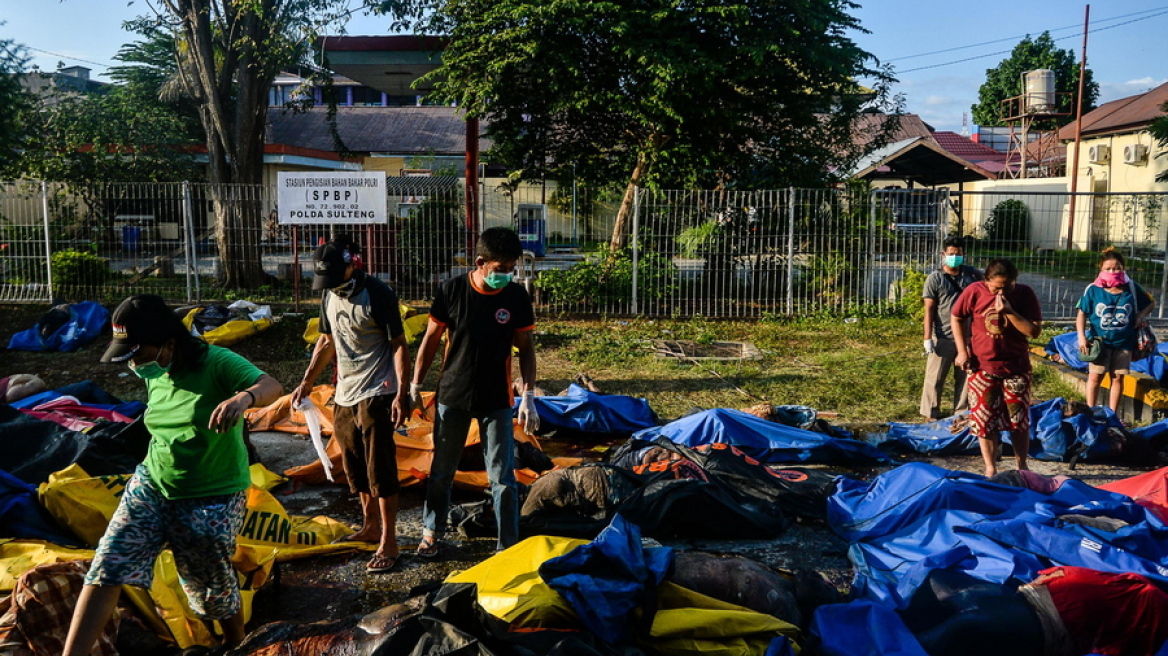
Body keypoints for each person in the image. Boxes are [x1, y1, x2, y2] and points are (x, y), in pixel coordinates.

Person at [63, 294, 282, 655]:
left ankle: (235, 645)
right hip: (153, 482)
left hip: (213, 492)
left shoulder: (217, 362)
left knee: (209, 583)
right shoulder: (153, 368)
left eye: (138, 353)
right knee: (108, 564)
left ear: (168, 343)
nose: (133, 363)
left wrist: (243, 399)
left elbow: (271, 385)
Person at [411, 227, 539, 557]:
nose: (507, 275)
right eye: (501, 269)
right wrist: (414, 385)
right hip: (453, 395)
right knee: (442, 471)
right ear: (480, 262)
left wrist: (528, 396)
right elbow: (430, 342)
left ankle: (506, 545)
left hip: (497, 398)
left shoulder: (516, 297)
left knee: (503, 478)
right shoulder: (452, 291)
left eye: (512, 269)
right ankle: (431, 531)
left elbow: (525, 348)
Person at [291, 237, 411, 574]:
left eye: (334, 277)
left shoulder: (378, 293)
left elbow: (399, 345)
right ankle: (369, 526)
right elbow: (326, 340)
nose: (330, 285)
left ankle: (389, 540)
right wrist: (307, 381)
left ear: (351, 265)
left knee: (380, 467)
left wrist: (402, 393)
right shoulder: (330, 293)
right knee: (354, 464)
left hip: (378, 389)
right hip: (345, 392)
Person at [951, 258, 1042, 478]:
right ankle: (991, 467)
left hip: (1016, 367)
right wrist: (962, 351)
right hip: (982, 367)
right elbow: (956, 317)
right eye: (996, 288)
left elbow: (1033, 331)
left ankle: (1022, 466)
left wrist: (1009, 311)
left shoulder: (1024, 294)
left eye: (1007, 287)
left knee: (1018, 421)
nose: (1001, 292)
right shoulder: (974, 291)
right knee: (984, 419)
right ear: (986, 281)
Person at [1076, 249, 1155, 413]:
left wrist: (1140, 315)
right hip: (1099, 343)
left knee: (1118, 377)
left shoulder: (1132, 288)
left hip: (1124, 343)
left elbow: (1151, 303)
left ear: (1123, 268)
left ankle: (1113, 414)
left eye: (1117, 268)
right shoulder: (1092, 290)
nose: (1113, 272)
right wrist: (1082, 337)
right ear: (1101, 270)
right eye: (1108, 268)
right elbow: (1081, 314)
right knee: (1095, 376)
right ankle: (1090, 411)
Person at [920, 237, 982, 421]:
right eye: (951, 254)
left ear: (964, 255)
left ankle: (961, 415)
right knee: (935, 379)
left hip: (969, 337)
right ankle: (931, 415)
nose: (955, 257)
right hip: (943, 336)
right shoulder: (935, 278)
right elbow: (929, 310)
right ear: (943, 255)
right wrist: (927, 338)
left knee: (965, 380)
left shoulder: (972, 276)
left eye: (959, 254)